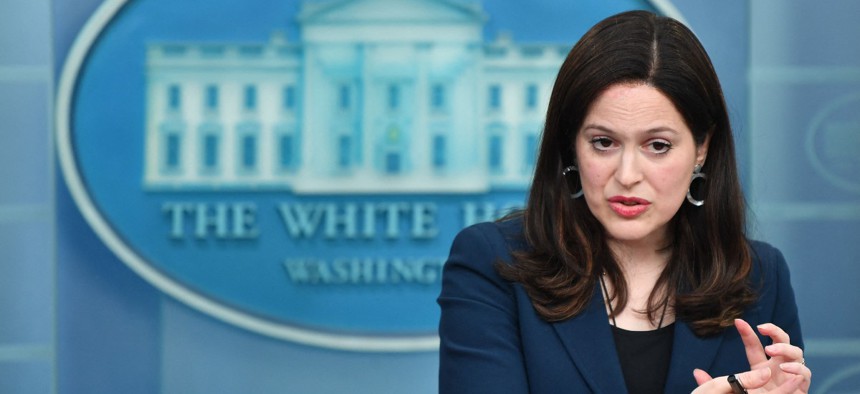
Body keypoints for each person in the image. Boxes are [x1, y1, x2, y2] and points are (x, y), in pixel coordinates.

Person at [437, 10, 811, 394]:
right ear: (571, 145)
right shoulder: (492, 262)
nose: (627, 174)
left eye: (658, 146)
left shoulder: (760, 275)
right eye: (604, 142)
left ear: (702, 148)